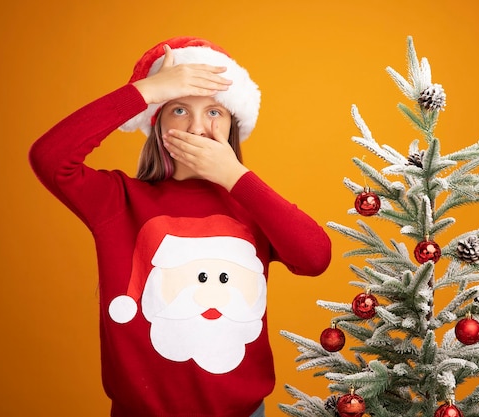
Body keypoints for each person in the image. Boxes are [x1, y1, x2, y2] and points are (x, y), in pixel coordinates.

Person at [29, 36, 331, 417]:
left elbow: (315, 257)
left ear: (232, 127)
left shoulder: (250, 202)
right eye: (179, 110)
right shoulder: (118, 200)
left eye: (214, 112)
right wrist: (145, 91)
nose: (197, 127)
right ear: (158, 125)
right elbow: (49, 157)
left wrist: (237, 177)